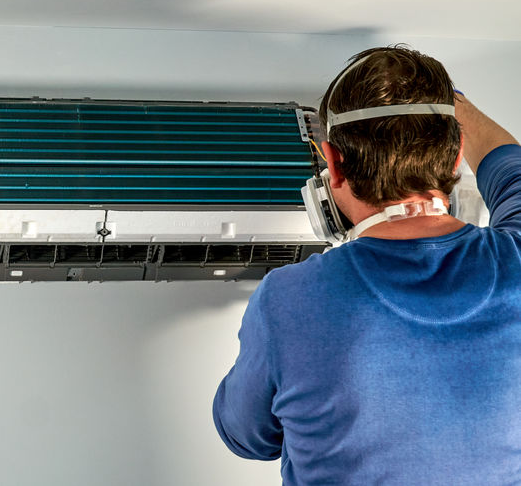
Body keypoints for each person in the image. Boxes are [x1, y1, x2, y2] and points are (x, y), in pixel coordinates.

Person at [212, 45, 521, 485]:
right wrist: (455, 103)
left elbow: (247, 437)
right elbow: (511, 168)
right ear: (456, 159)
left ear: (332, 164)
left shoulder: (288, 299)